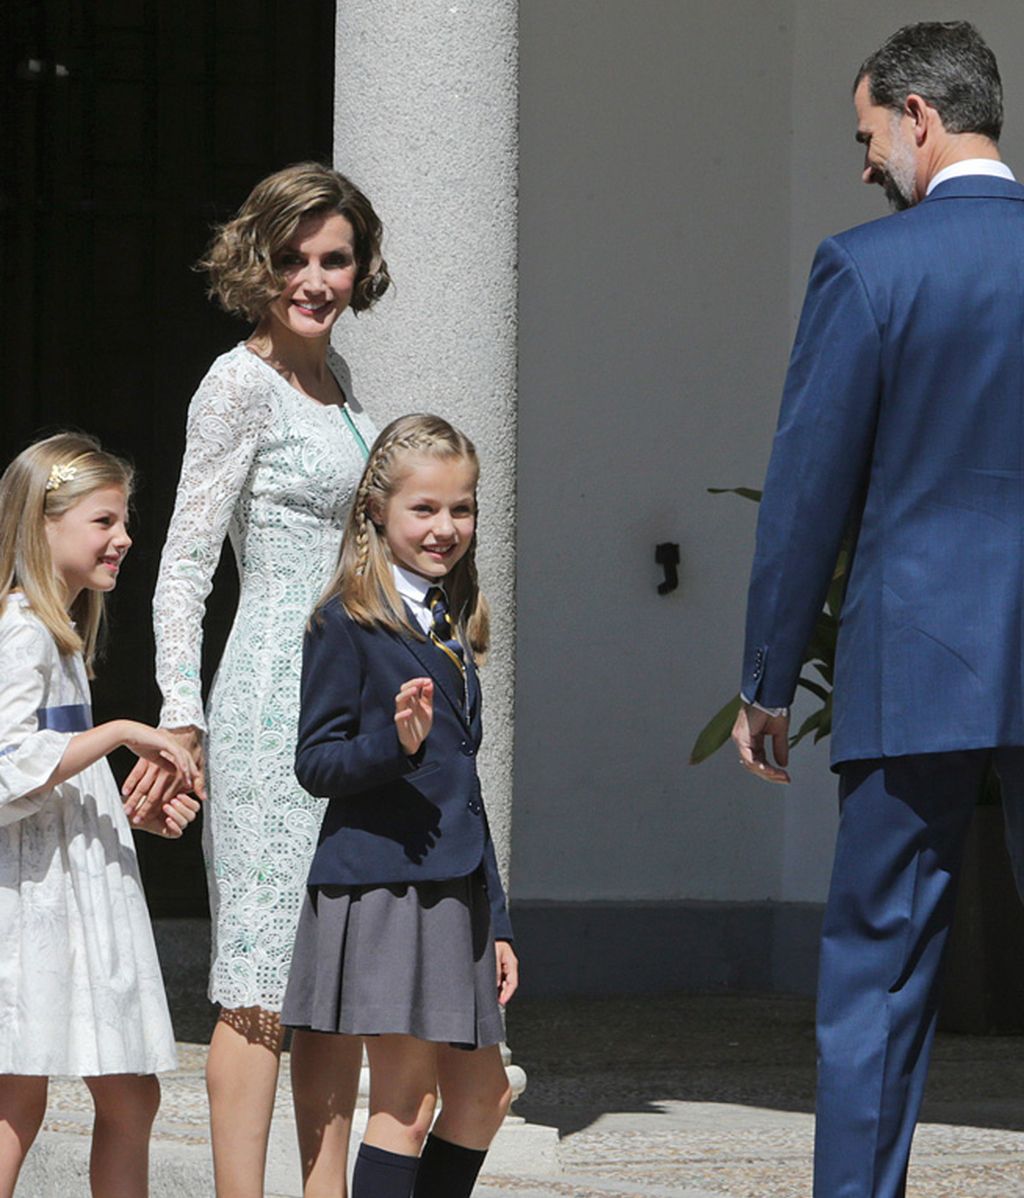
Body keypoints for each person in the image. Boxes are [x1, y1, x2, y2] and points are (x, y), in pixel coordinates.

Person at [731, 20, 1024, 1197]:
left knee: (879, 981)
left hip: (915, 661)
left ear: (918, 116)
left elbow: (807, 495)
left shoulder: (868, 268)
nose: (864, 166)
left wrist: (765, 674)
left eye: (866, 136)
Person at [122, 163, 390, 1197]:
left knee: (330, 981)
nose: (316, 279)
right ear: (259, 263)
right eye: (294, 260)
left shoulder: (339, 382)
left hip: (351, 692)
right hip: (274, 693)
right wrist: (181, 723)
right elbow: (184, 565)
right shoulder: (235, 383)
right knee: (257, 983)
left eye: (335, 258)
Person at [281, 414, 518, 1198]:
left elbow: (466, 789)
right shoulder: (343, 622)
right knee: (407, 1105)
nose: (446, 527)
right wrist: (396, 742)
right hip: (386, 889)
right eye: (425, 508)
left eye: (462, 508)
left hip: (457, 892)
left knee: (484, 1097)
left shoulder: (453, 620)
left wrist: (500, 919)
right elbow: (316, 763)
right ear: (376, 511)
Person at [0, 433, 201, 1198]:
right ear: (43, 523)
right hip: (40, 905)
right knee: (19, 1096)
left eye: (125, 522)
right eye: (103, 521)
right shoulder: (22, 632)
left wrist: (118, 812)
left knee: (121, 1093)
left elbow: (52, 770)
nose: (123, 538)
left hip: (73, 889)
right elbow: (8, 766)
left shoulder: (61, 635)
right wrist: (121, 732)